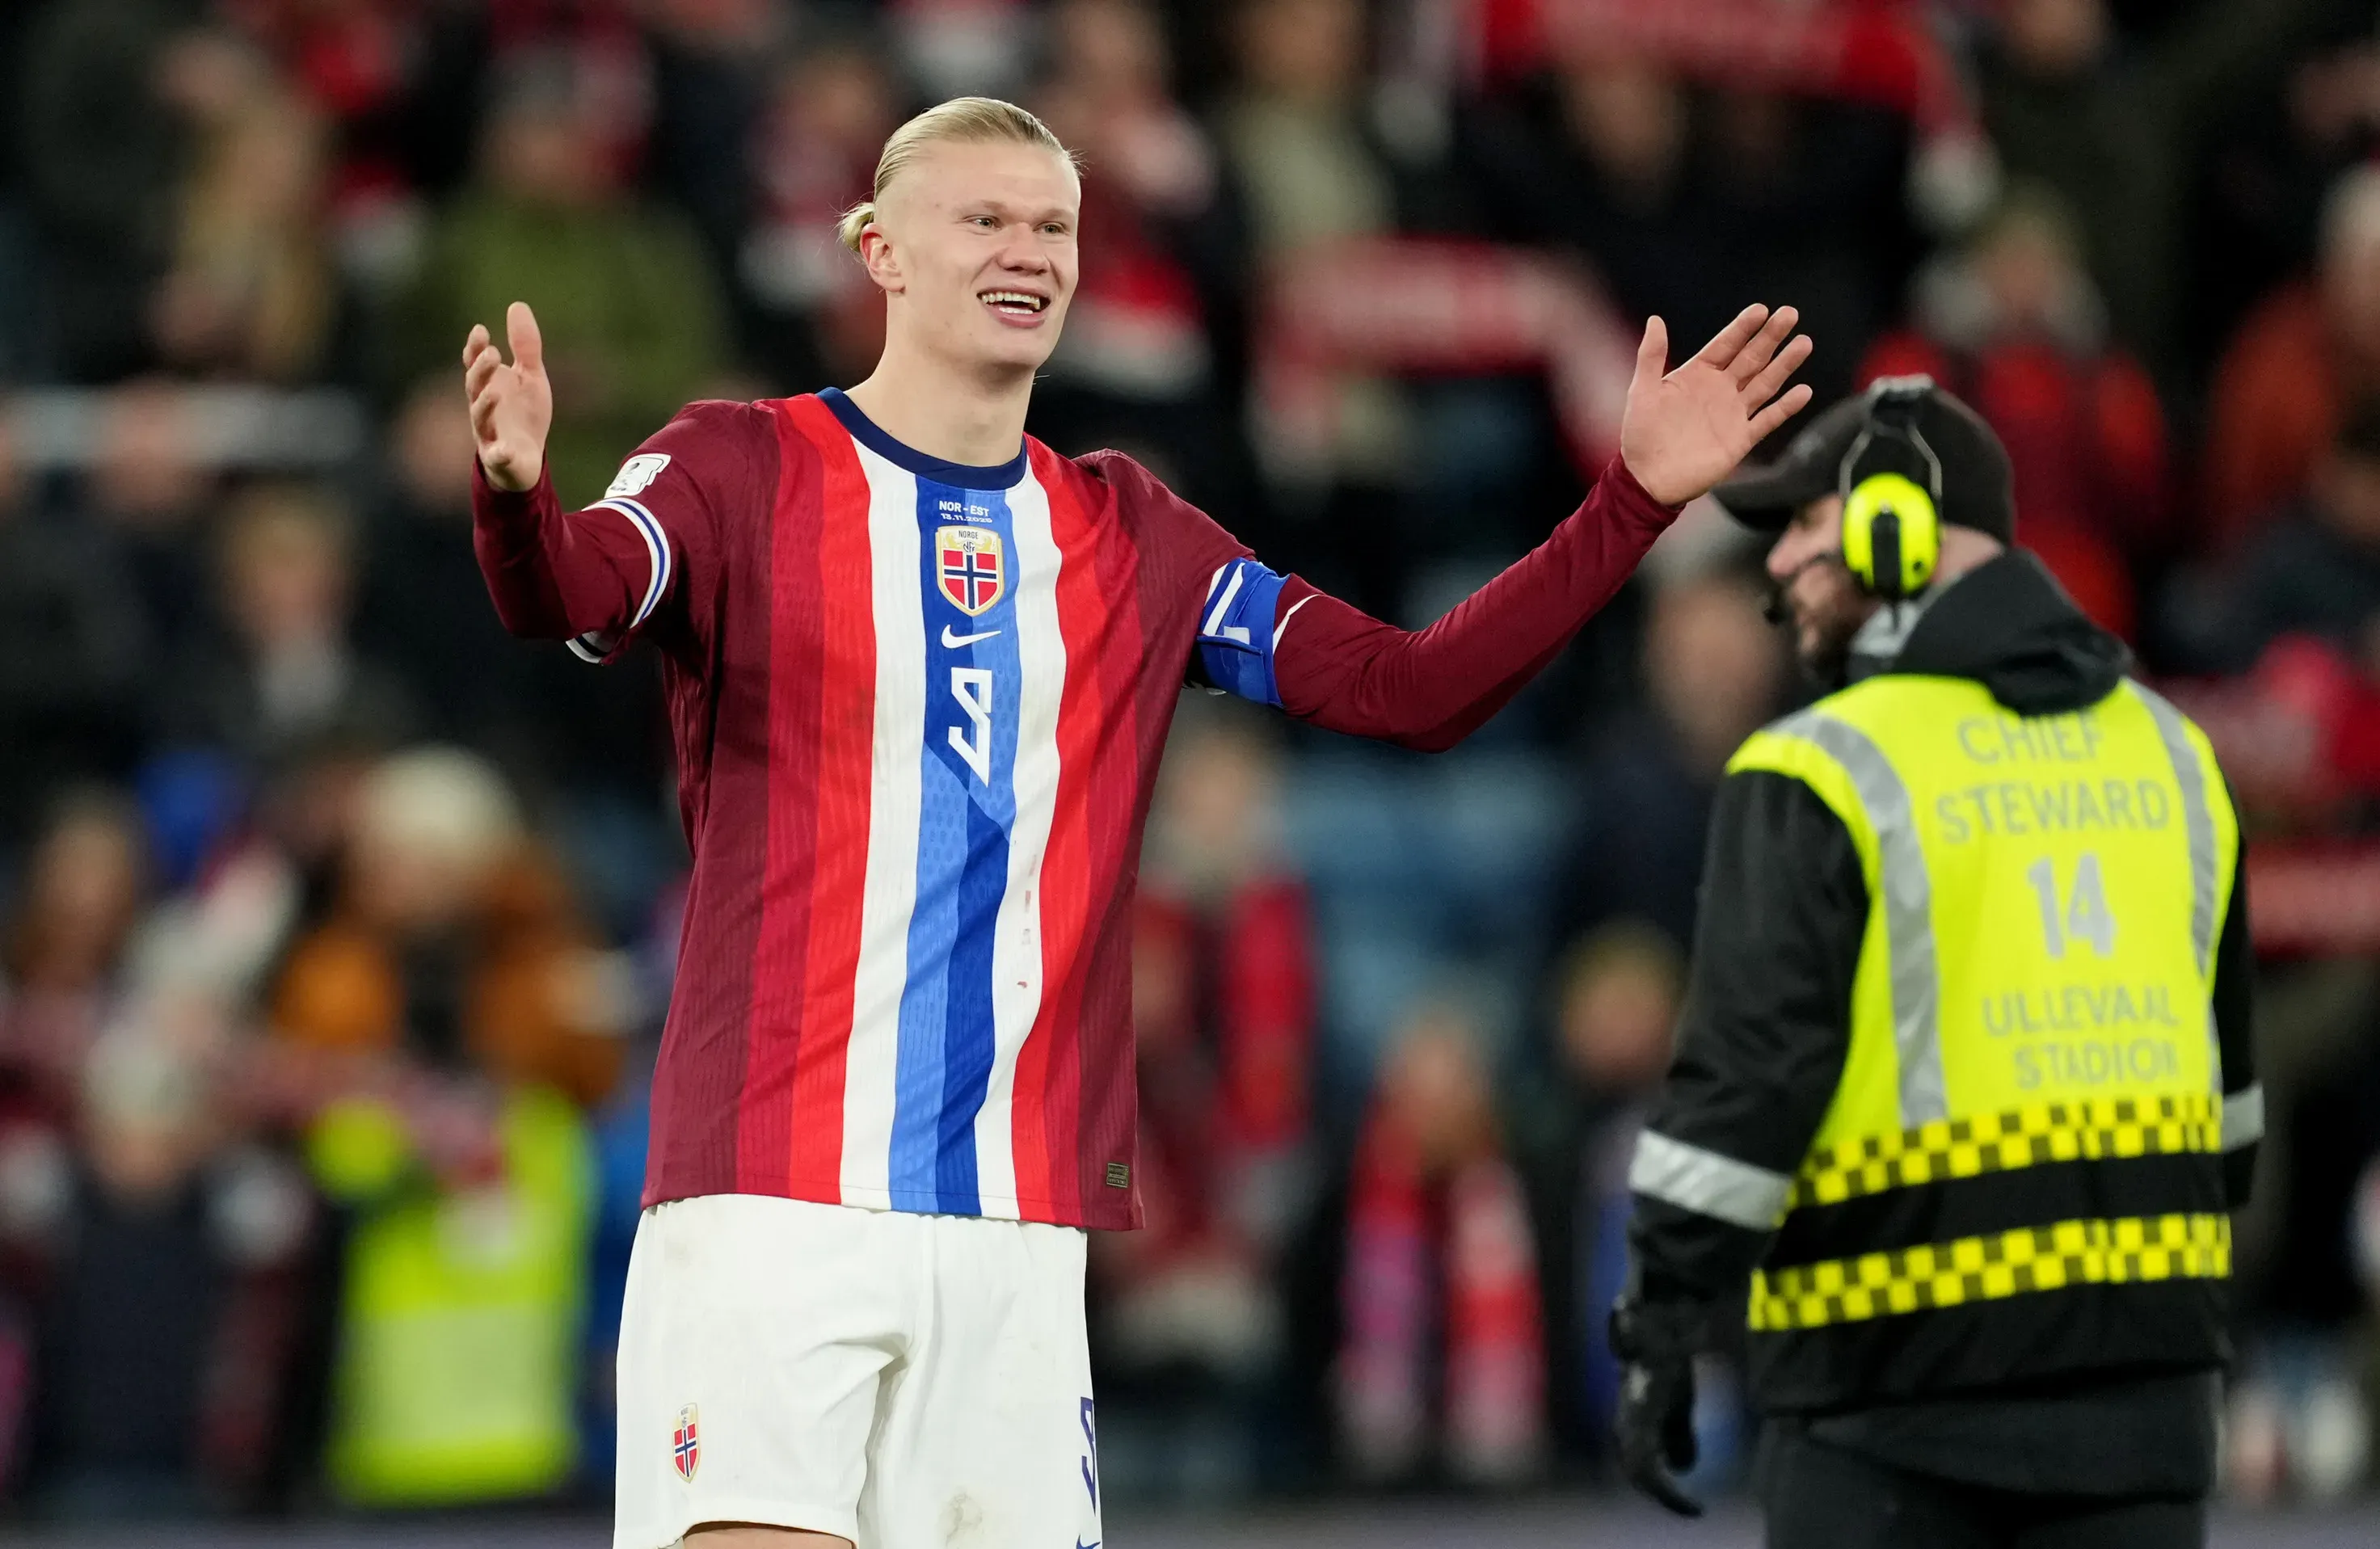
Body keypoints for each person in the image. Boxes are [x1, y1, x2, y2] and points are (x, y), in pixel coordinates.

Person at [461, 95, 1811, 1549]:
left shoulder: (1131, 534)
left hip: (1022, 1236)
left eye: (1053, 226)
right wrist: (517, 497)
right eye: (983, 218)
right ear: (879, 249)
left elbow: (1411, 692)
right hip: (775, 1196)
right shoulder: (738, 466)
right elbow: (577, 592)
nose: (1026, 249)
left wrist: (1629, 504)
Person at [1609, 378, 2260, 1548]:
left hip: (1887, 1426)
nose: (1781, 569)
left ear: (1891, 524)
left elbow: (1743, 1096)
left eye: (1805, 527)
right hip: (2151, 1430)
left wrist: (1660, 1320)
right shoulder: (2177, 757)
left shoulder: (1821, 769)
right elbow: (2234, 1126)